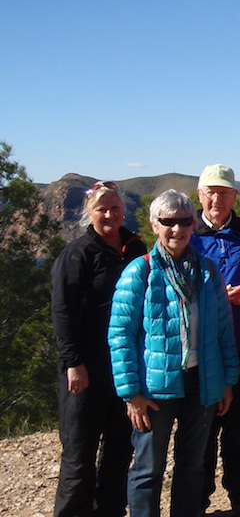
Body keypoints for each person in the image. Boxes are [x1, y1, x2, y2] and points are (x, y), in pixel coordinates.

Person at [108, 189, 239, 517]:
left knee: (192, 466)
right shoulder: (140, 272)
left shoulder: (208, 272)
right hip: (154, 389)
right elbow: (121, 336)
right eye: (168, 222)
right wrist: (130, 393)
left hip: (202, 382)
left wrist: (227, 381)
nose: (176, 229)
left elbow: (223, 330)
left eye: (184, 221)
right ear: (155, 225)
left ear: (193, 224)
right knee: (148, 469)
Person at [51, 181, 147, 517]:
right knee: (79, 453)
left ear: (124, 210)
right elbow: (62, 312)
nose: (110, 215)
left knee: (119, 449)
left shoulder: (135, 248)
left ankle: (109, 510)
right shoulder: (77, 254)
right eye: (102, 209)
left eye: (115, 208)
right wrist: (73, 362)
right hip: (85, 367)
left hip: (123, 365)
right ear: (89, 213)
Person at [190, 164, 240, 517]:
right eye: (211, 192)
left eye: (224, 193)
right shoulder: (187, 231)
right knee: (201, 432)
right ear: (200, 194)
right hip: (199, 349)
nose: (216, 199)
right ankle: (197, 503)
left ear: (235, 196)